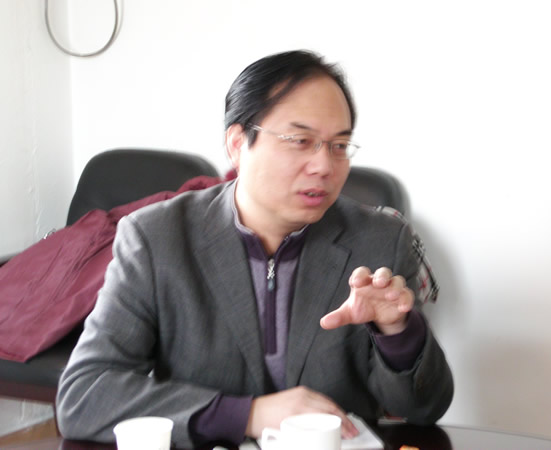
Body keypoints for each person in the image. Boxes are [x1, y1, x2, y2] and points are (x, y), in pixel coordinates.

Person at [56, 50, 453, 448]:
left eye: (339, 145)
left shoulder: (380, 239)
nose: (324, 166)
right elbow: (84, 396)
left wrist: (396, 332)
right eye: (301, 141)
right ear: (237, 143)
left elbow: (425, 409)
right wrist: (247, 415)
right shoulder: (156, 239)